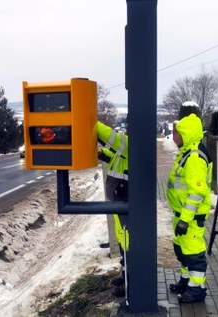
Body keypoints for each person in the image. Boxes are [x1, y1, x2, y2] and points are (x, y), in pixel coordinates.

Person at [166, 112, 213, 303]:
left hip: (190, 218)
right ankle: (186, 282)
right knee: (182, 251)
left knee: (194, 254)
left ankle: (196, 290)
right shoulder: (186, 153)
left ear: (187, 134)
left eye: (176, 133)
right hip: (183, 215)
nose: (174, 136)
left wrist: (185, 219)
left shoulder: (194, 157)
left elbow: (196, 192)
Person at [97, 120, 129, 297]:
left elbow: (112, 138)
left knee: (129, 243)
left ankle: (130, 283)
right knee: (124, 241)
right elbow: (115, 155)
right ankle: (125, 276)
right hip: (120, 200)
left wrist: (89, 121)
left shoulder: (131, 143)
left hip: (126, 200)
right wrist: (102, 153)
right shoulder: (126, 147)